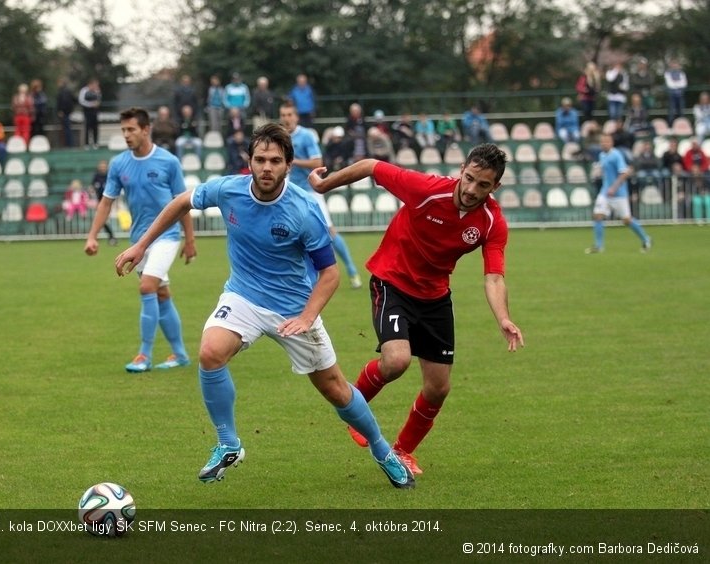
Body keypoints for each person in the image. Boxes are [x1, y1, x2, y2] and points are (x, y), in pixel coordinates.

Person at [113, 122, 414, 489]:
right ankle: (228, 443)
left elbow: (330, 274)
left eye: (275, 160)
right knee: (210, 353)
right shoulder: (229, 190)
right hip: (243, 296)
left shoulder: (303, 210)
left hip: (294, 308)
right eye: (259, 159)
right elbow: (180, 201)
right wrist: (141, 246)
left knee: (335, 389)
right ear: (249, 161)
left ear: (288, 164)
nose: (266, 167)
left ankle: (384, 451)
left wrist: (307, 316)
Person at [306, 143, 524, 476]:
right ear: (461, 170)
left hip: (435, 296)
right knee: (396, 361)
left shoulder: (492, 222)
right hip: (392, 282)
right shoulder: (426, 190)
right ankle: (354, 408)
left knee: (439, 387)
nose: (471, 189)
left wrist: (504, 318)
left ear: (495, 187)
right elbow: (370, 165)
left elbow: (494, 277)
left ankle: (404, 451)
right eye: (468, 178)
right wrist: (324, 185)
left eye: (482, 185)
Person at [85, 107, 196, 373]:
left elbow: (183, 203)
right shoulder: (119, 164)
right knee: (160, 294)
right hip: (139, 241)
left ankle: (143, 355)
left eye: (131, 129)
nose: (126, 135)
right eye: (123, 130)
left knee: (147, 287)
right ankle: (180, 354)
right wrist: (92, 236)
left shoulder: (168, 162)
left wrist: (190, 240)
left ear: (146, 130)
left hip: (167, 237)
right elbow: (106, 203)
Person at [279, 100, 362, 289]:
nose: (286, 118)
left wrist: (292, 161)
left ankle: (352, 271)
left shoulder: (306, 136)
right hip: (288, 192)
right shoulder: (280, 137)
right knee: (293, 235)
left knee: (330, 232)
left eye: (289, 115)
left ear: (296, 117)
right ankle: (304, 279)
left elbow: (318, 162)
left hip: (310, 192)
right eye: (283, 115)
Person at [585, 133, 652, 254]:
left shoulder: (616, 155)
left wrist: (614, 188)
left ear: (611, 143)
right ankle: (599, 246)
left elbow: (624, 173)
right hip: (605, 193)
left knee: (627, 220)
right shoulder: (602, 155)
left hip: (619, 194)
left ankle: (645, 238)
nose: (604, 144)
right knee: (598, 216)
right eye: (602, 142)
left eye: (606, 141)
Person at [90, 160, 116, 245]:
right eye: (101, 166)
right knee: (103, 220)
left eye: (104, 166)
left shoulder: (109, 176)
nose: (102, 168)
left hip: (110, 202)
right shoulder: (96, 176)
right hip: (100, 202)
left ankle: (110, 237)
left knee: (104, 220)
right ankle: (111, 237)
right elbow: (92, 187)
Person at [79, 78, 102, 148]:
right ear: (90, 84)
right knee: (87, 127)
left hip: (95, 112)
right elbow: (81, 101)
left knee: (95, 127)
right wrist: (91, 105)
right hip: (87, 111)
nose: (96, 86)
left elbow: (99, 99)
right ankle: (86, 144)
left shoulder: (97, 91)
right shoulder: (84, 90)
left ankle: (95, 143)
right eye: (95, 85)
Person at [664, 60, 687, 127]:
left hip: (680, 95)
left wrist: (675, 84)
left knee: (681, 112)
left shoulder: (682, 73)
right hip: (672, 95)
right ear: (670, 65)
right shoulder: (667, 73)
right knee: (671, 112)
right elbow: (669, 84)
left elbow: (684, 84)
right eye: (673, 64)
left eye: (676, 64)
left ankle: (682, 126)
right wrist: (678, 84)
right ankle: (670, 127)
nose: (674, 66)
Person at [56, 77, 76, 147]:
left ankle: (68, 144)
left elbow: (63, 102)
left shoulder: (63, 92)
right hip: (68, 112)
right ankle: (69, 144)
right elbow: (74, 100)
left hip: (65, 113)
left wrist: (61, 110)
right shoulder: (68, 91)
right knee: (67, 129)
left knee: (66, 129)